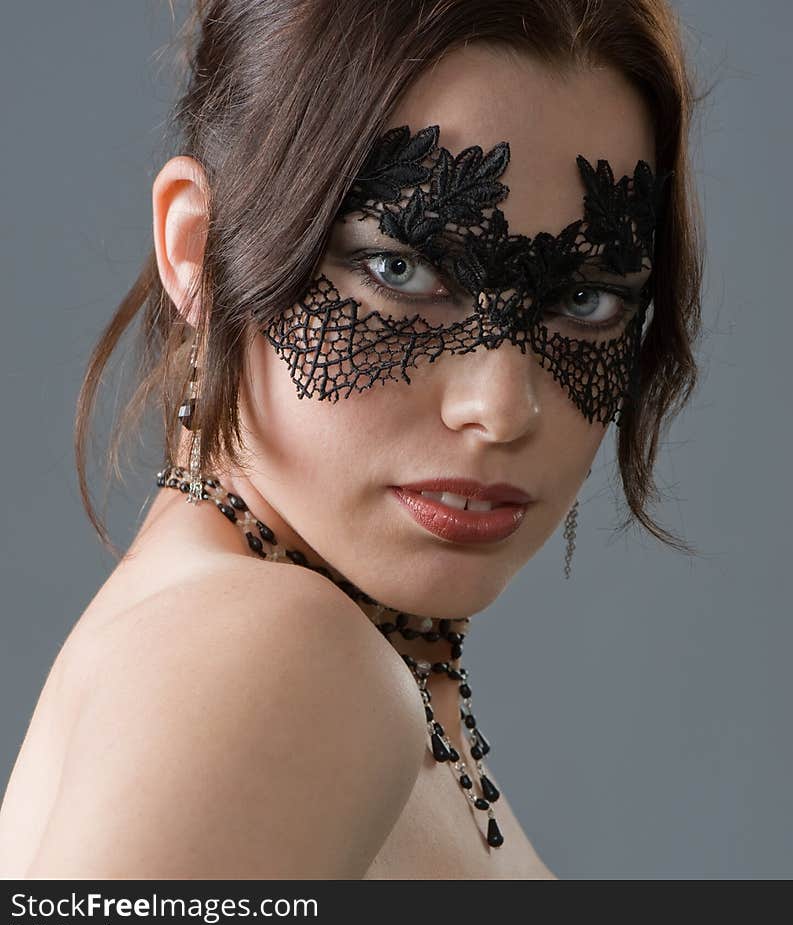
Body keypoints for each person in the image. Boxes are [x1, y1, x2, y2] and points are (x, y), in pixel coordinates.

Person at [0, 0, 702, 880]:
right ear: (197, 249)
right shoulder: (279, 659)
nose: (503, 408)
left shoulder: (317, 650)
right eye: (401, 270)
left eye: (587, 295)